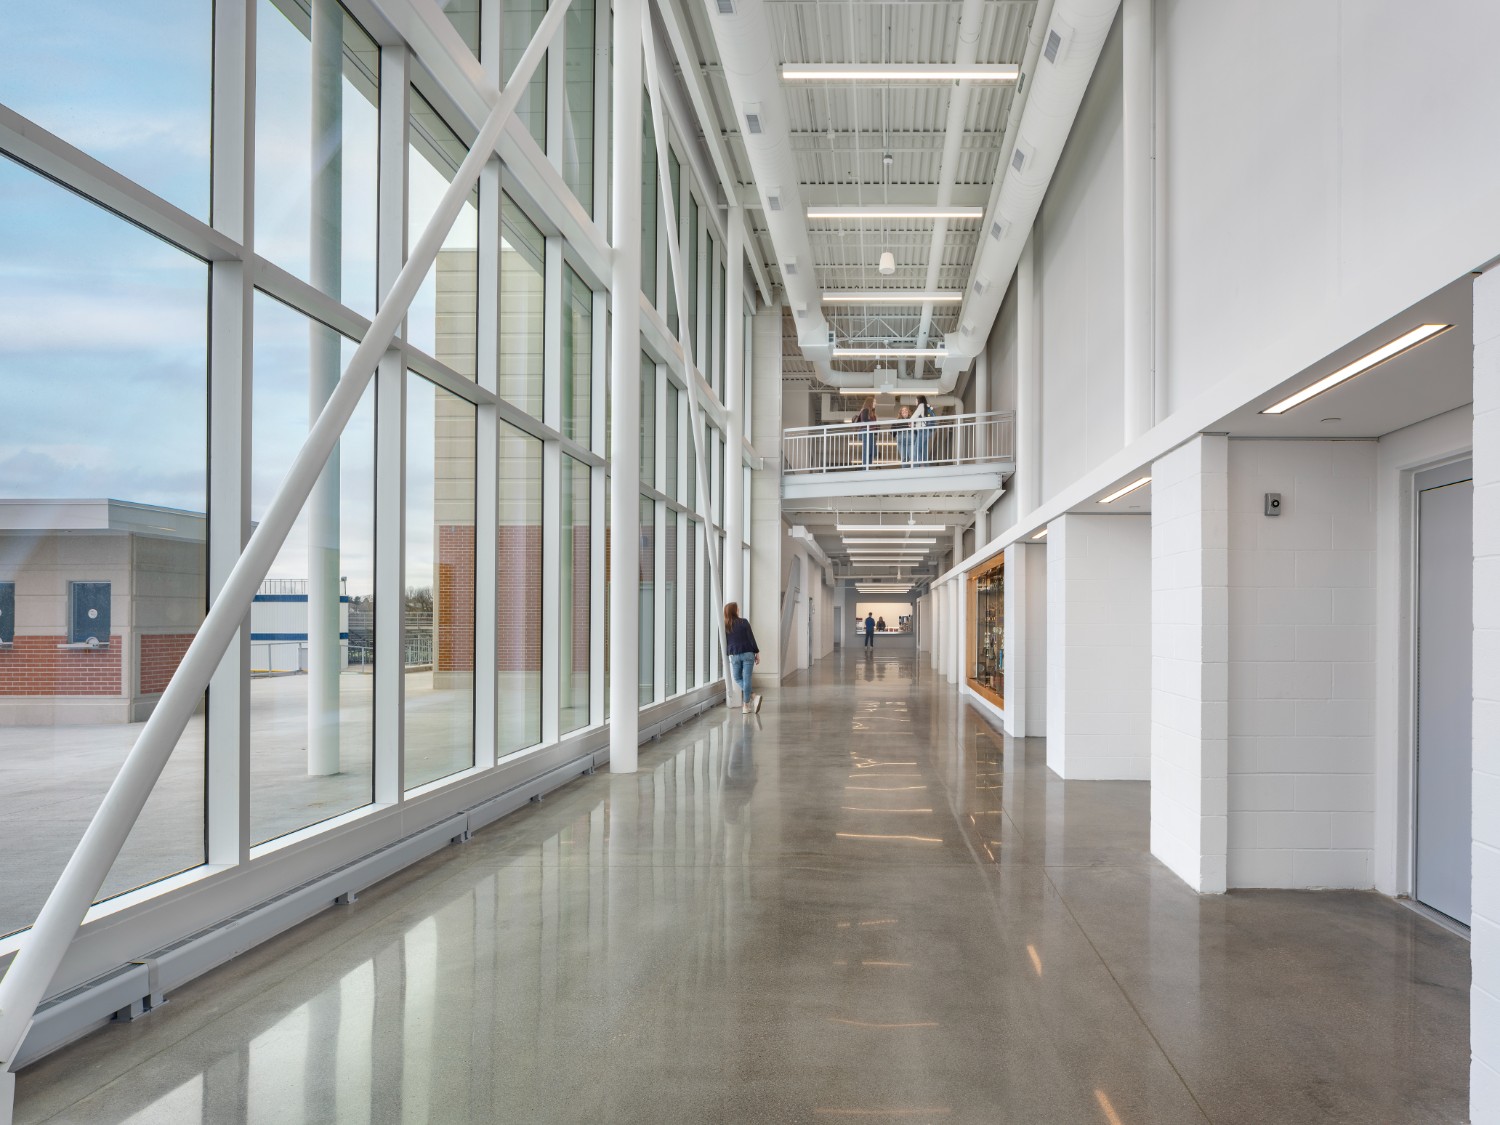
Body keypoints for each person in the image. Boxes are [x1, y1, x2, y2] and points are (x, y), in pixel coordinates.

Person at [724, 601, 761, 713]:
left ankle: (751, 700)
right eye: (737, 608)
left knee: (737, 678)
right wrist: (757, 652)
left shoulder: (726, 625)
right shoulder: (744, 622)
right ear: (734, 611)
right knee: (747, 678)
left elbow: (724, 641)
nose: (738, 610)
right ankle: (747, 703)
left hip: (735, 654)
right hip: (748, 653)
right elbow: (751, 638)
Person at [853, 396, 877, 467]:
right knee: (867, 451)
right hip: (865, 431)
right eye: (874, 402)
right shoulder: (865, 409)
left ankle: (868, 466)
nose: (875, 403)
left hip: (871, 432)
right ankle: (865, 468)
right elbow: (865, 420)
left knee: (873, 451)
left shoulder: (872, 412)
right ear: (870, 402)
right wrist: (874, 423)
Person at [911, 394, 932, 462]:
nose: (915, 402)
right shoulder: (927, 406)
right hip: (927, 430)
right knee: (924, 450)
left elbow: (913, 417)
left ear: (919, 400)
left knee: (916, 449)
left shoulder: (921, 405)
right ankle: (925, 465)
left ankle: (917, 466)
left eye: (916, 400)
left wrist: (909, 422)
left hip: (922, 431)